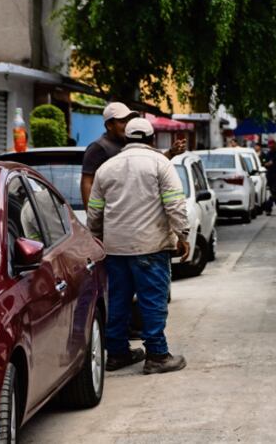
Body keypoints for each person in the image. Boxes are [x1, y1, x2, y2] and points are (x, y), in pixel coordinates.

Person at [87, 117, 190, 375]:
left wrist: (96, 238)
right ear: (151, 139)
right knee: (152, 302)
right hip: (150, 247)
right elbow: (174, 203)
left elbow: (95, 211)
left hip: (114, 249)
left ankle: (117, 354)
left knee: (118, 302)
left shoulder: (106, 168)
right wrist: (183, 235)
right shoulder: (160, 164)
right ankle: (156, 355)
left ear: (127, 139)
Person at [81, 102, 186, 207]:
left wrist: (171, 152)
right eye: (122, 121)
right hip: (113, 212)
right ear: (109, 125)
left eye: (129, 121)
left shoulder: (130, 142)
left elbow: (150, 164)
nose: (127, 125)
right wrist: (91, 217)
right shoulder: (98, 147)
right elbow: (87, 183)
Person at [261, 139, 276, 216]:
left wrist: (273, 163)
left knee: (274, 193)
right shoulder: (268, 154)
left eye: (272, 144)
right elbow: (265, 163)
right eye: (270, 145)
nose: (271, 146)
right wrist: (267, 164)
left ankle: (268, 208)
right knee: (273, 194)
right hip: (270, 176)